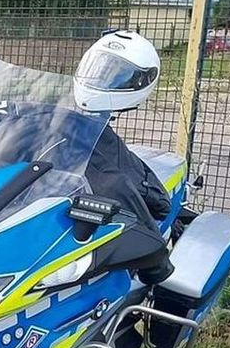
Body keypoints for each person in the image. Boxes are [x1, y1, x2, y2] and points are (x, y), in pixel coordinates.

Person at [73, 29, 173, 284]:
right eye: (97, 69)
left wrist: (158, 266)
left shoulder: (107, 160)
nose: (101, 79)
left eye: (116, 74)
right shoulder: (64, 125)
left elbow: (121, 191)